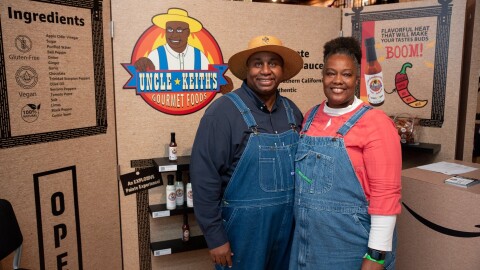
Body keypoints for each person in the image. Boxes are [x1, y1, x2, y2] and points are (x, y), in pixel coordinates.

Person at [190, 35, 304, 270]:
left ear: (282, 71)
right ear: (247, 70)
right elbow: (204, 178)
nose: (265, 70)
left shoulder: (293, 112)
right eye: (257, 63)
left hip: (289, 230)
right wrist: (215, 237)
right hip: (243, 233)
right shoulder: (222, 113)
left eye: (273, 63)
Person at [289, 36, 402, 270]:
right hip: (306, 241)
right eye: (331, 73)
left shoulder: (376, 123)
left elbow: (386, 195)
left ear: (357, 78)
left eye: (347, 74)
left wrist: (376, 256)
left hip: (351, 245)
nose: (337, 81)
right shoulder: (310, 116)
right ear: (322, 76)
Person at [134, 8, 210, 71]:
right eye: (170, 30)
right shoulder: (155, 55)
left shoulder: (199, 56)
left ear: (188, 32)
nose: (174, 35)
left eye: (179, 30)